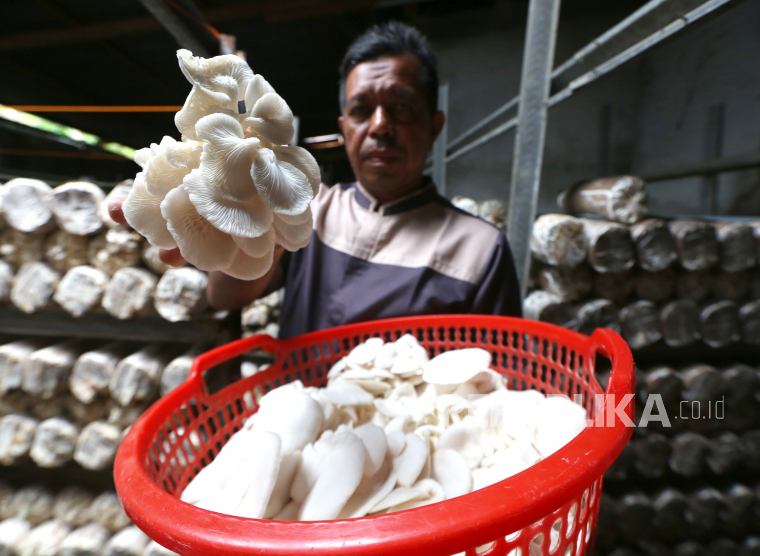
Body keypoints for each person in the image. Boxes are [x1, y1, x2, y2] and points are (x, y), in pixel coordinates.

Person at [110, 21, 522, 338]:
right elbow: (224, 297)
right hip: (297, 432)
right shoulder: (311, 207)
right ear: (345, 127)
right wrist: (235, 211)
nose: (379, 126)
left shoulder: (481, 249)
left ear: (435, 126)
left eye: (401, 108)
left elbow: (500, 375)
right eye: (362, 110)